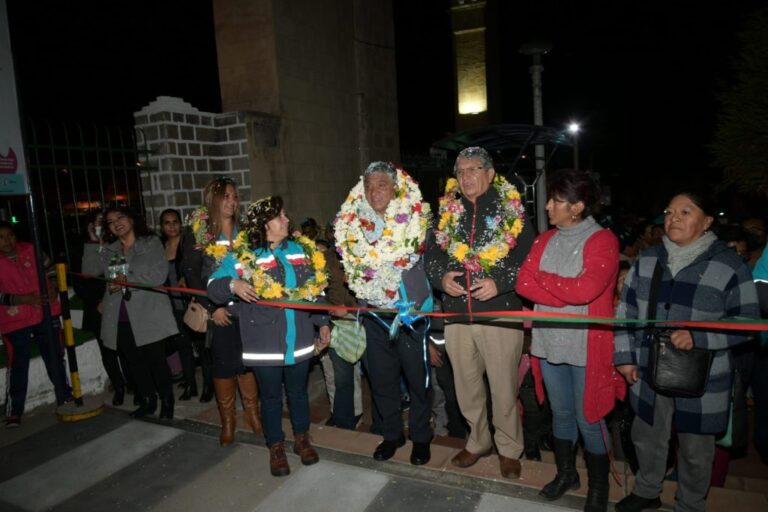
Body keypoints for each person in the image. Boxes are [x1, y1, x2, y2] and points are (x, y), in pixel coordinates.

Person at [614, 191, 760, 512]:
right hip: (648, 367)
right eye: (669, 212)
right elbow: (626, 311)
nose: (674, 218)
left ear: (706, 221)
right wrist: (624, 358)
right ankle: (647, 490)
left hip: (703, 375)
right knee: (647, 436)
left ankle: (691, 504)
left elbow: (748, 322)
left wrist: (701, 336)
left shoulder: (729, 265)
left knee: (696, 449)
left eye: (685, 212)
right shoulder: (648, 259)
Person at [516, 168, 625, 511]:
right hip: (549, 343)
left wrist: (545, 282)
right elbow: (523, 283)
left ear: (577, 207)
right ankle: (567, 474)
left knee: (589, 419)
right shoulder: (544, 239)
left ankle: (598, 488)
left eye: (556, 200)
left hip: (585, 347)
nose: (547, 206)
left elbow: (586, 290)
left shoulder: (603, 240)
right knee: (561, 414)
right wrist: (565, 292)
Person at [425, 146, 535, 480]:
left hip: (499, 315)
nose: (466, 177)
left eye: (473, 169)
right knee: (466, 387)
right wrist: (442, 279)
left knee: (503, 389)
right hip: (457, 316)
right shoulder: (447, 213)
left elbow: (528, 260)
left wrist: (500, 283)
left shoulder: (511, 211)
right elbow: (432, 257)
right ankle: (477, 441)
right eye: (460, 172)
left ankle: (509, 449)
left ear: (490, 173)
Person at [208, 195, 330, 476]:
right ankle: (275, 445)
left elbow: (316, 290)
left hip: (299, 338)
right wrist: (233, 284)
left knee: (298, 393)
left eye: (285, 215)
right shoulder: (243, 256)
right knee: (271, 397)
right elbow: (213, 287)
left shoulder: (300, 250)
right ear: (264, 224)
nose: (287, 219)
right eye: (280, 216)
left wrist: (322, 321)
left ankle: (302, 438)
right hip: (264, 343)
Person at [334, 161, 434, 465]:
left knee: (418, 380)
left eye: (381, 185)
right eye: (369, 186)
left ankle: (421, 436)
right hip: (374, 315)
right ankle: (392, 435)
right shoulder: (354, 225)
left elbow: (431, 261)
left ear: (395, 189)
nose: (374, 191)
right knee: (381, 379)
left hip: (410, 314)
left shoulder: (416, 219)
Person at [182, 177, 262, 446]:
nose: (232, 202)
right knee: (224, 365)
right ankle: (228, 421)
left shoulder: (245, 231)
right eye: (226, 196)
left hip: (247, 307)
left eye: (235, 197)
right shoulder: (199, 233)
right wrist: (211, 307)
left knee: (248, 361)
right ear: (213, 199)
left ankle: (253, 413)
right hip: (219, 310)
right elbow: (192, 274)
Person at [82, 206, 179, 419]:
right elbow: (89, 271)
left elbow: (158, 275)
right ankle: (148, 400)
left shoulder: (150, 242)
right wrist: (93, 240)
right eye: (110, 221)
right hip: (120, 315)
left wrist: (127, 279)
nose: (116, 223)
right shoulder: (110, 249)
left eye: (120, 217)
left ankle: (167, 400)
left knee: (156, 360)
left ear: (132, 219)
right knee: (135, 362)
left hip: (148, 313)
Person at [0, 221, 70, 427]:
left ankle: (65, 396)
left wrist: (54, 287)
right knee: (18, 364)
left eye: (10, 235)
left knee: (55, 355)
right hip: (14, 318)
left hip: (46, 311)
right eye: (1, 237)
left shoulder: (32, 249)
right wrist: (22, 299)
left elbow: (51, 270)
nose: (7, 241)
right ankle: (14, 411)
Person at [73, 210, 131, 406]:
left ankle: (133, 383)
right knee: (107, 349)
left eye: (105, 221)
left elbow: (120, 277)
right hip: (97, 307)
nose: (103, 225)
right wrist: (93, 241)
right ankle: (119, 386)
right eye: (99, 222)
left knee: (125, 346)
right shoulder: (83, 248)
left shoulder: (116, 245)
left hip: (116, 303)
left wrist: (108, 299)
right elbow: (82, 281)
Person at [159, 208, 197, 400]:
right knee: (183, 345)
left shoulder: (188, 243)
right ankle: (191, 382)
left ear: (180, 224)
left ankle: (202, 385)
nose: (172, 226)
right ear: (162, 226)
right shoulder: (160, 247)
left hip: (190, 301)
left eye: (175, 222)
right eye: (167, 223)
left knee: (199, 345)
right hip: (171, 304)